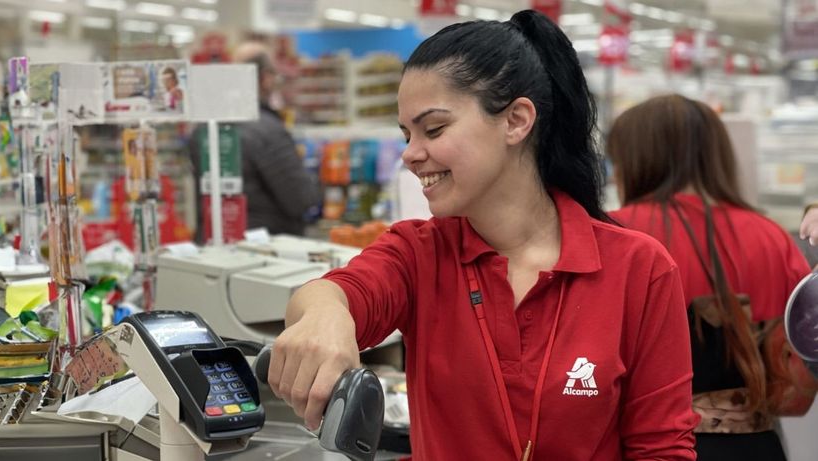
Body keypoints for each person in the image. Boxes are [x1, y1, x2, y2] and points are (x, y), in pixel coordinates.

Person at [268, 10, 697, 460]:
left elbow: (662, 447)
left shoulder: (638, 269)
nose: (411, 155)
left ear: (515, 120)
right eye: (406, 134)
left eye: (433, 129)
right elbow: (339, 293)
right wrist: (325, 314)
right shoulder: (419, 253)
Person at [607, 94, 813, 461]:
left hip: (637, 447)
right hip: (752, 447)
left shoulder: (611, 236)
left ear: (630, 160)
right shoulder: (771, 238)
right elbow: (795, 394)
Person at [190, 42, 318, 238]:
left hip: (213, 238)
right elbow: (300, 200)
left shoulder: (203, 127)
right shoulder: (268, 130)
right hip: (266, 245)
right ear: (266, 78)